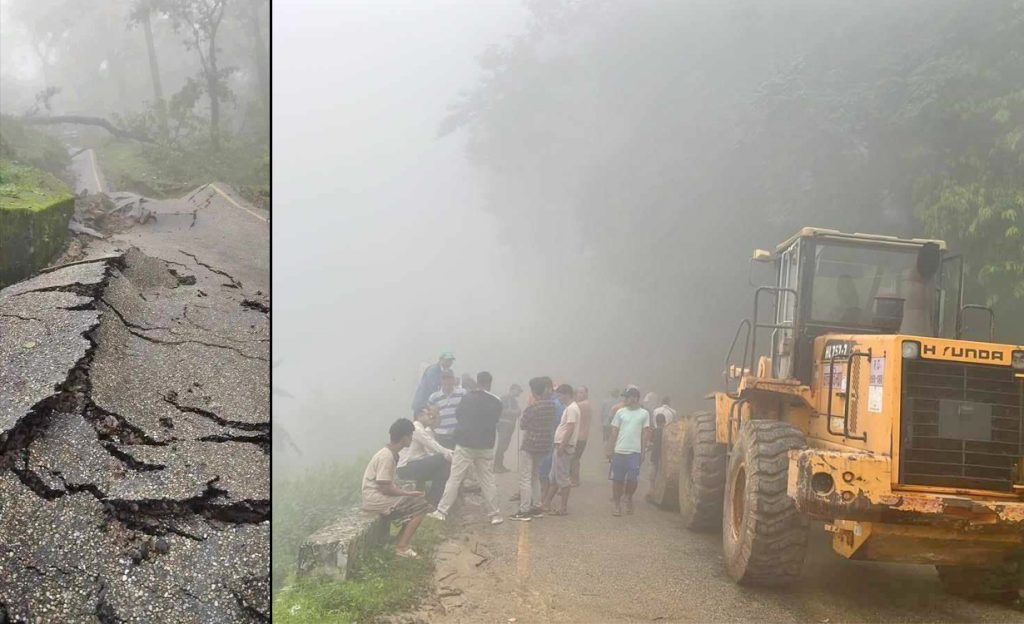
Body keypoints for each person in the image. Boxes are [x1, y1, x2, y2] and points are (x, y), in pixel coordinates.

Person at [428, 372, 504, 525]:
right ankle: (495, 514)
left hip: (464, 444)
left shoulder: (467, 397)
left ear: (478, 382)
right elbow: (496, 420)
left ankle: (442, 511)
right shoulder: (496, 401)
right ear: (490, 383)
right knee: (487, 480)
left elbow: (459, 415)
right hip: (485, 445)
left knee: (454, 478)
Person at [362, 418, 431, 558]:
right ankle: (401, 547)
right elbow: (385, 488)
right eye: (411, 436)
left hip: (377, 496)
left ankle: (399, 542)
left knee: (416, 503)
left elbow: (386, 484)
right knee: (421, 506)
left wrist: (407, 495)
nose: (412, 439)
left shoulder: (390, 453)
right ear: (405, 437)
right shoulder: (386, 456)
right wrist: (408, 494)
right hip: (375, 498)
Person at [511, 377, 558, 521]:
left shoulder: (533, 407)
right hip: (544, 445)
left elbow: (523, 425)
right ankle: (537, 507)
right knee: (535, 476)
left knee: (525, 478)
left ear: (533, 392)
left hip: (530, 445)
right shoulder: (552, 406)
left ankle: (524, 510)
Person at [606, 387, 651, 517]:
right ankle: (617, 505)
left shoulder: (644, 414)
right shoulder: (620, 412)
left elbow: (645, 434)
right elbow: (614, 432)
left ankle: (629, 496)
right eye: (625, 397)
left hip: (634, 452)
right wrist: (610, 448)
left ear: (636, 398)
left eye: (628, 397)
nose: (625, 399)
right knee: (617, 480)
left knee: (633, 479)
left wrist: (643, 452)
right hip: (619, 450)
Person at [397, 408, 453, 506]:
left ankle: (433, 501)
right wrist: (453, 455)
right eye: (428, 415)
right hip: (407, 467)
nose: (431, 418)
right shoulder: (416, 428)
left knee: (444, 468)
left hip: (415, 465)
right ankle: (434, 500)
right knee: (441, 458)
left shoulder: (423, 430)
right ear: (420, 416)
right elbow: (434, 446)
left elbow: (430, 451)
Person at [541, 384, 579, 515]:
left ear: (567, 394)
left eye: (560, 394)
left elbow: (570, 428)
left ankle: (563, 508)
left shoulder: (572, 409)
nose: (558, 397)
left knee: (562, 479)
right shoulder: (569, 408)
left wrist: (562, 445)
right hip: (559, 446)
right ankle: (546, 503)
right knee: (554, 477)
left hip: (564, 447)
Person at [427, 369, 466, 449]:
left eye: (449, 378)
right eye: (444, 378)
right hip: (441, 436)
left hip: (458, 435)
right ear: (441, 380)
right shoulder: (434, 397)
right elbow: (430, 417)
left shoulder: (462, 393)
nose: (447, 381)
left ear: (454, 380)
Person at [412, 351, 456, 417]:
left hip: (429, 404)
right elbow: (433, 387)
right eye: (447, 360)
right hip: (422, 405)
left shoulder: (446, 371)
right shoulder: (433, 370)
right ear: (441, 360)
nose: (449, 363)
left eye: (450, 361)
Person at [494, 383, 523, 473]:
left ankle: (500, 464)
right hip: (503, 424)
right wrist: (513, 412)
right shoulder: (503, 398)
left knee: (505, 445)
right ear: (513, 389)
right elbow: (499, 410)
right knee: (502, 444)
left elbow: (518, 411)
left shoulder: (514, 401)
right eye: (518, 391)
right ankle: (496, 465)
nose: (519, 394)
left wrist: (517, 412)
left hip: (510, 425)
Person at [570, 386, 592, 487]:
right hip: (582, 436)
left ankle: (574, 480)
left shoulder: (582, 405)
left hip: (579, 436)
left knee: (574, 458)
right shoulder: (584, 404)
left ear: (586, 394)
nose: (579, 394)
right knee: (575, 458)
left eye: (581, 392)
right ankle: (575, 479)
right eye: (578, 392)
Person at [649, 411, 667, 489]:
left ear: (656, 422)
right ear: (665, 422)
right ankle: (659, 489)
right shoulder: (666, 431)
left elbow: (651, 441)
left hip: (654, 455)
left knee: (653, 473)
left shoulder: (654, 431)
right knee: (661, 472)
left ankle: (652, 488)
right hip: (663, 455)